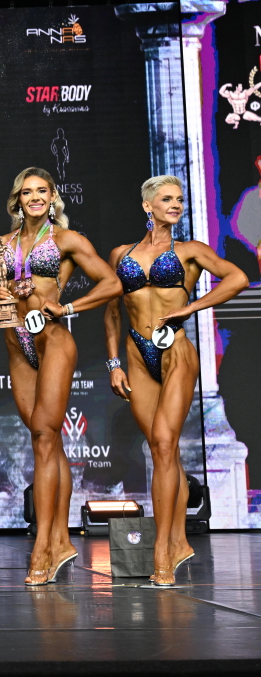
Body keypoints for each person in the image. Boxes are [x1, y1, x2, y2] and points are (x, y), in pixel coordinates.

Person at [104, 176, 246, 586]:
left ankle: (163, 549)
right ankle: (180, 541)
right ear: (147, 205)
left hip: (176, 351)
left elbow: (236, 278)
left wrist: (191, 307)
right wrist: (114, 363)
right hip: (136, 352)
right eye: (167, 199)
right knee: (161, 451)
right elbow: (112, 311)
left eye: (180, 199)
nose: (176, 205)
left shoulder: (190, 251)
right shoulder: (121, 254)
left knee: (166, 444)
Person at [0, 168, 121, 586]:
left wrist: (69, 308)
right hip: (17, 345)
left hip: (53, 341)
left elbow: (112, 283)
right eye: (27, 192)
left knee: (45, 437)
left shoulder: (66, 240)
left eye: (42, 191)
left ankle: (43, 544)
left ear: (53, 197)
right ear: (17, 200)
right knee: (45, 440)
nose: (35, 197)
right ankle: (61, 540)